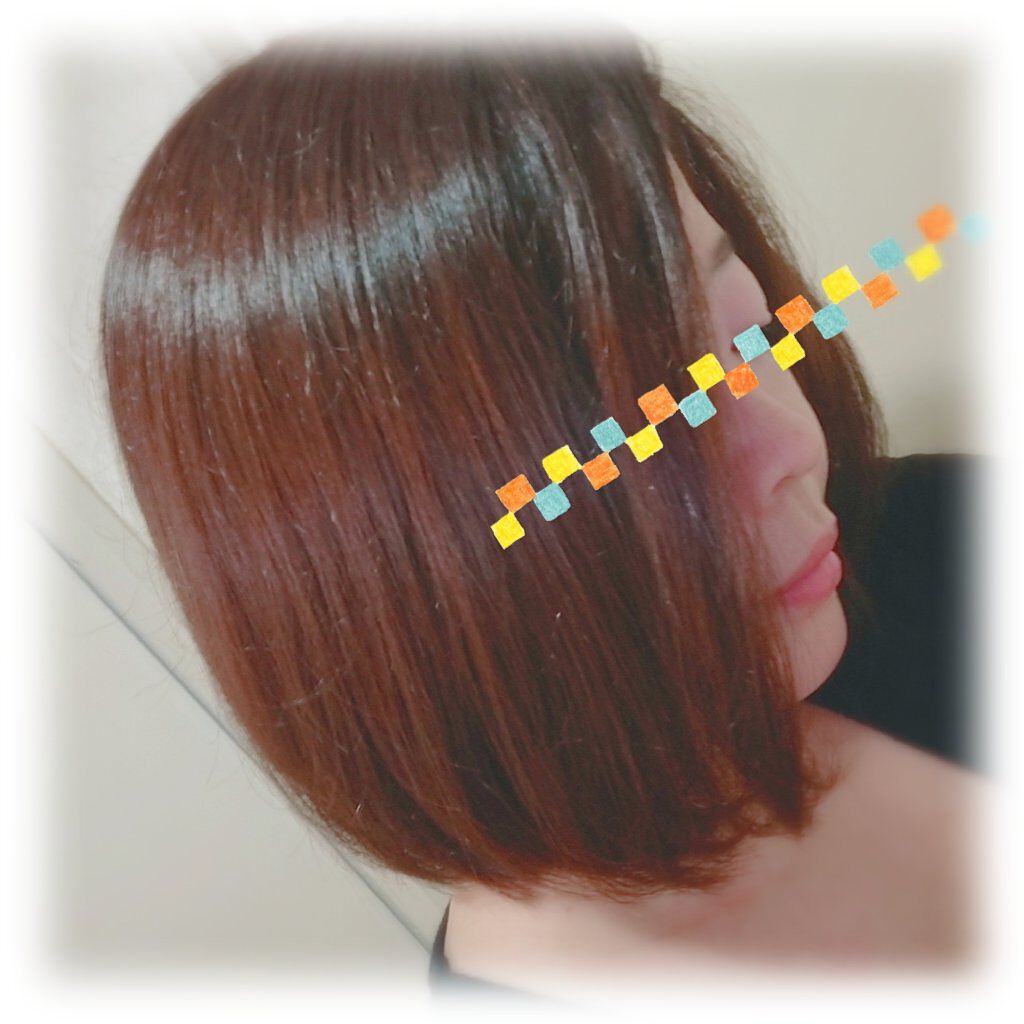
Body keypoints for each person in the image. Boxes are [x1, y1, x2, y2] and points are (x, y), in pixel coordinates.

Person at [99, 29, 981, 1007]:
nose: (791, 451)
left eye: (746, 337)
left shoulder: (935, 538)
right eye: (645, 432)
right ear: (394, 568)